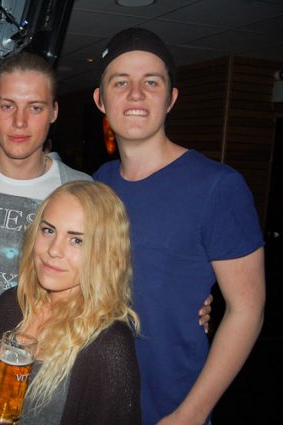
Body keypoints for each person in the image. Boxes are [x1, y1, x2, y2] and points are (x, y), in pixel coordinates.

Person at [92, 28, 265, 424]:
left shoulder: (217, 186)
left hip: (169, 406)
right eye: (121, 82)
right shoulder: (98, 183)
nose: (136, 94)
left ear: (170, 98)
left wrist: (191, 413)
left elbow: (247, 310)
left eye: (151, 82)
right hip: (95, 397)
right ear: (101, 100)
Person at [0, 181, 141, 424]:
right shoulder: (13, 303)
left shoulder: (108, 342)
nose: (54, 250)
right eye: (48, 230)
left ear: (105, 253)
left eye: (77, 240)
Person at [0, 53, 92, 321]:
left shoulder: (81, 190)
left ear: (54, 112)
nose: (19, 121)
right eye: (7, 106)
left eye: (35, 108)